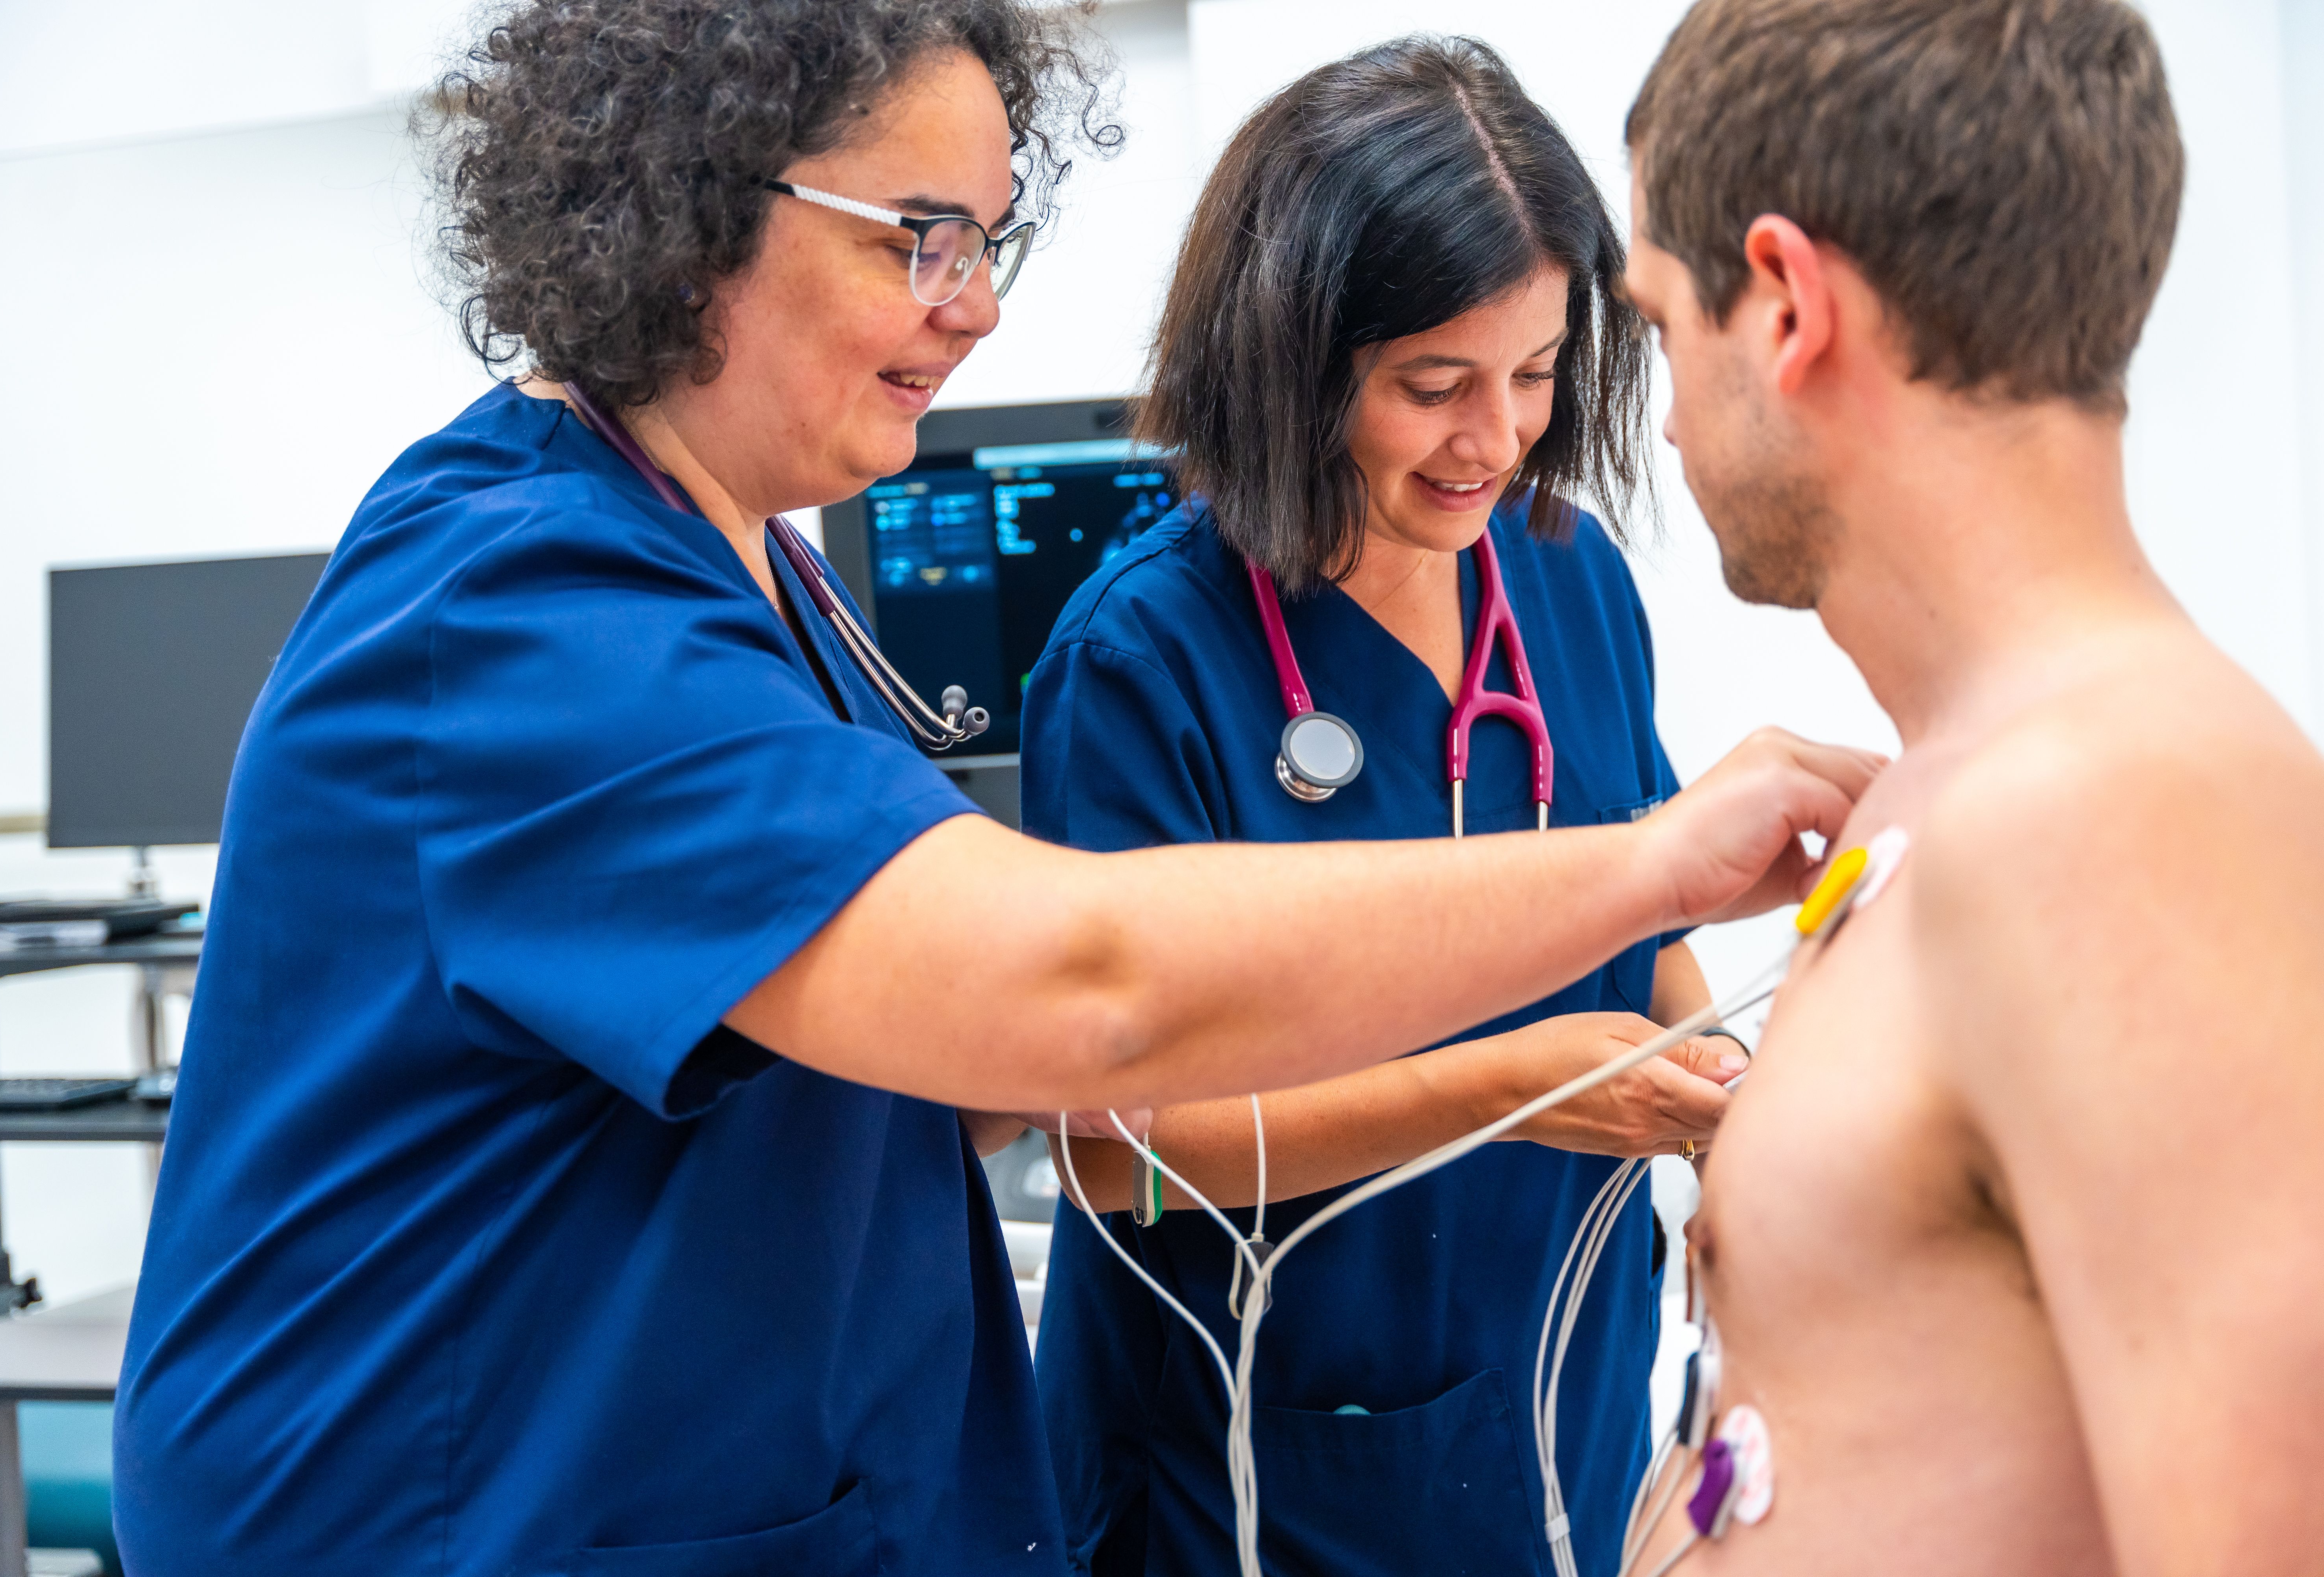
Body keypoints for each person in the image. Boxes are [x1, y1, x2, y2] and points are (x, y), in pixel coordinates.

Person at [109, 4, 1877, 1573]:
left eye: (991, 234)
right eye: (921, 237)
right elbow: (1068, 1001)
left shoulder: (765, 587)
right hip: (467, 1515)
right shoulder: (519, 623)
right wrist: (1646, 874)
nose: (980, 301)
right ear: (686, 207)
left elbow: (909, 1095)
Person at [1614, 1, 2324, 1573]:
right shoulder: (1949, 793)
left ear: (1787, 305)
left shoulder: (2130, 823)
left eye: (1661, 322)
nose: (1659, 412)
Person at [1027, 38, 1745, 1577]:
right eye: (1435, 386)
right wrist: (1517, 1088)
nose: (1495, 438)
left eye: (1540, 374)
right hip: (1259, 1465)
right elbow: (1112, 1153)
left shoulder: (1568, 579)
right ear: (1298, 352)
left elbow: (1647, 907)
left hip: (1555, 1397)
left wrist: (1739, 1105)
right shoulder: (1145, 659)